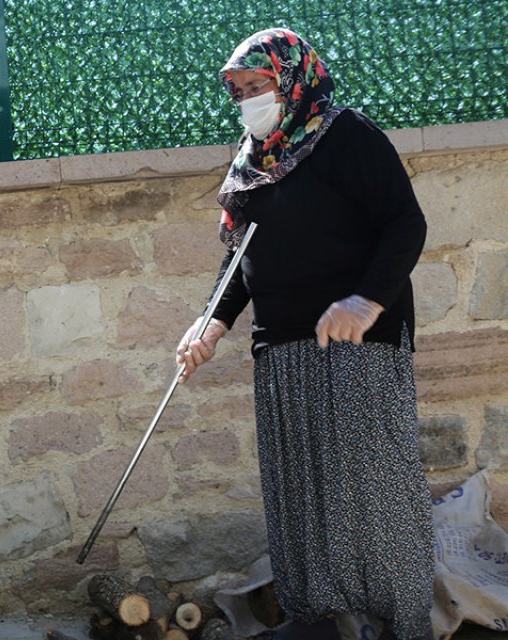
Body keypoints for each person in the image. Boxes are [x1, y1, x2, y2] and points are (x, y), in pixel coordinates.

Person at [174, 29, 432, 640]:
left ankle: (398, 624)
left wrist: (367, 299)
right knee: (301, 497)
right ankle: (322, 622)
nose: (245, 101)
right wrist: (211, 318)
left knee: (373, 491)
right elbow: (240, 260)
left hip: (356, 344)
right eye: (235, 91)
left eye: (255, 86)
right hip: (282, 353)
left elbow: (405, 223)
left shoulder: (346, 136)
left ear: (291, 79)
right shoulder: (252, 162)